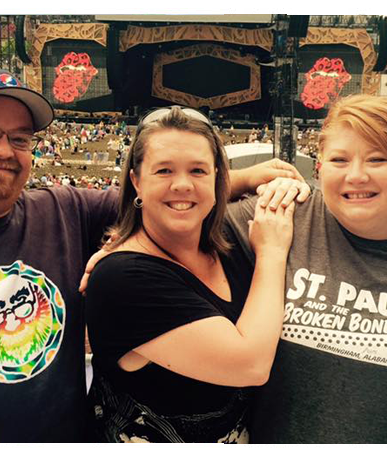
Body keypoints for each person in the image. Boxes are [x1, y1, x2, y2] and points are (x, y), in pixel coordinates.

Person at [0, 70, 307, 442]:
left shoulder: (62, 210)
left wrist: (259, 177)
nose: (3, 150)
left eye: (21, 138)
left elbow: (166, 198)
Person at [225, 95, 387, 443]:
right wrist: (245, 179)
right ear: (320, 167)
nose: (356, 175)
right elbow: (163, 210)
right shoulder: (281, 214)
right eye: (339, 159)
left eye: (378, 159)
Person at [85, 107, 295, 442]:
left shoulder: (224, 247)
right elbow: (250, 365)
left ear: (216, 178)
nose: (182, 184)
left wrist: (284, 186)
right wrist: (271, 251)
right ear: (136, 181)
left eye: (197, 170)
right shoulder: (121, 279)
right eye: (164, 170)